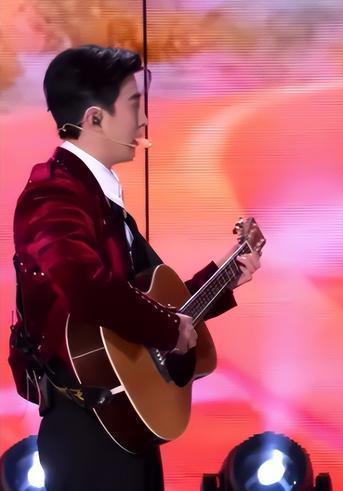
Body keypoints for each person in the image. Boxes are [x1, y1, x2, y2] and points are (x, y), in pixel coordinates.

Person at [9, 45, 261, 491]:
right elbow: (87, 289)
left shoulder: (103, 201)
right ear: (94, 119)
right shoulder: (53, 194)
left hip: (127, 419)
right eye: (133, 105)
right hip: (86, 431)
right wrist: (167, 328)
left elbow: (149, 306)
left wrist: (225, 278)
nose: (144, 121)